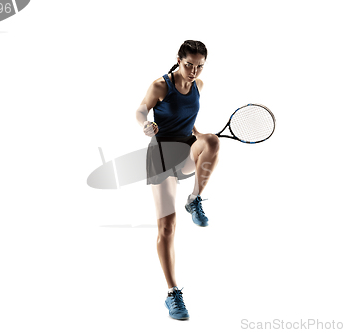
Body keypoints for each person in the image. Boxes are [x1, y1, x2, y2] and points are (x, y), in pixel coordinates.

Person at [135, 40, 220, 320]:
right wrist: (145, 124)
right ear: (178, 59)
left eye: (199, 66)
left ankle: (194, 199)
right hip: (160, 154)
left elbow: (188, 117)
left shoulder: (199, 86)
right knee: (167, 227)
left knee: (212, 141)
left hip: (185, 150)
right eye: (188, 65)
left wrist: (200, 136)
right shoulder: (161, 85)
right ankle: (173, 293)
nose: (193, 71)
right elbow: (140, 110)